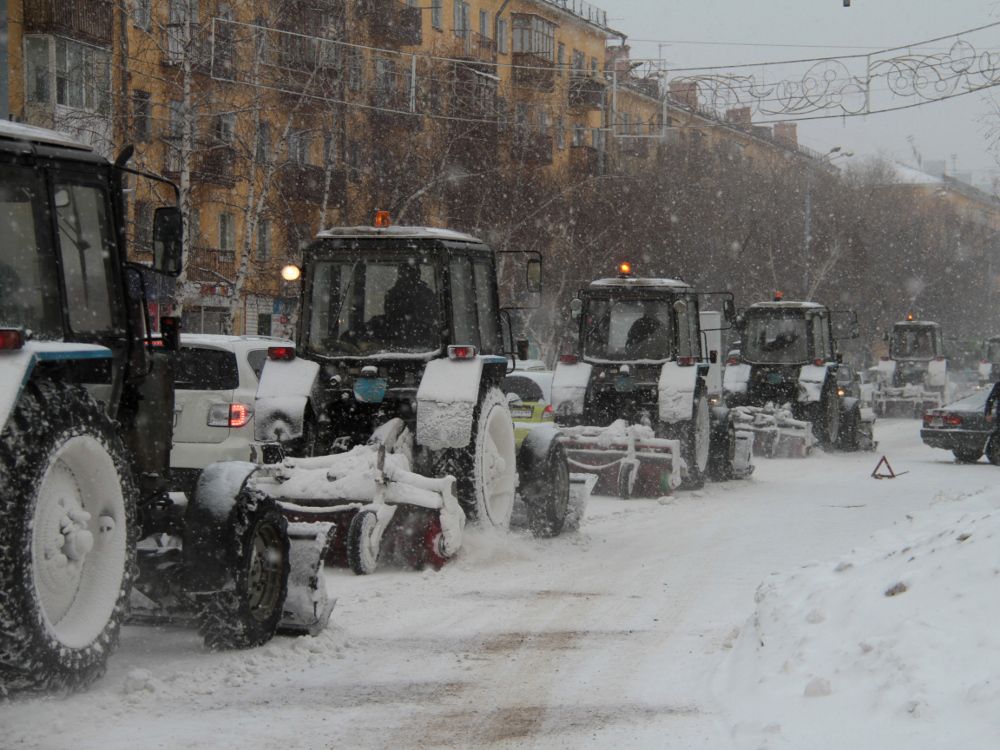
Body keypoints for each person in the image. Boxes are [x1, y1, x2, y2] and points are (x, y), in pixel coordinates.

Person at [383, 260, 438, 345]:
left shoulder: (426, 294)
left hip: (423, 341)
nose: (410, 275)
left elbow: (433, 317)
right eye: (407, 272)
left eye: (413, 271)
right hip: (399, 340)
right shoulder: (393, 294)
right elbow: (390, 316)